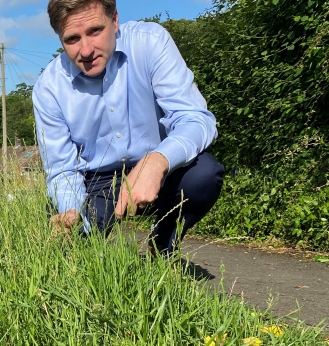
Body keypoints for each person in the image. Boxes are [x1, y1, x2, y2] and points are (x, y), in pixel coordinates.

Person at [33, 0, 224, 254]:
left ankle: (162, 247)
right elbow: (61, 169)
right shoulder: (49, 89)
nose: (86, 50)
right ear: (59, 38)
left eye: (95, 31)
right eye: (72, 39)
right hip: (96, 180)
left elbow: (196, 119)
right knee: (73, 247)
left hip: (160, 167)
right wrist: (71, 211)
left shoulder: (150, 43)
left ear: (114, 20)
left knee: (204, 176)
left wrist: (158, 160)